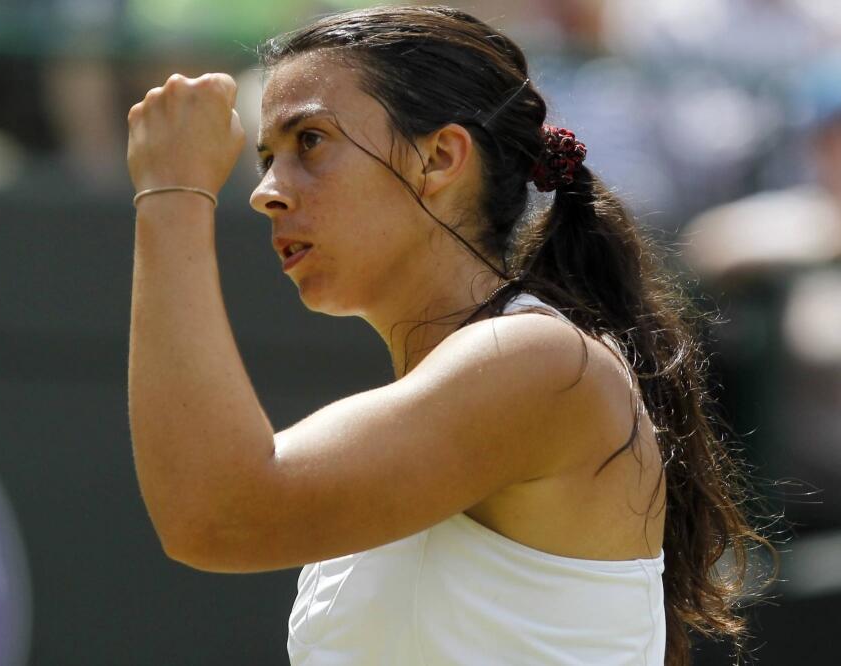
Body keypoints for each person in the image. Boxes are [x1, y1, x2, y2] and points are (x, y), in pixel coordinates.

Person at [124, 5, 774, 665]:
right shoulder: (477, 383)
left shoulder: (538, 361)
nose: (267, 191)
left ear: (439, 159)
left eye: (310, 141)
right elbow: (214, 500)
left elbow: (216, 512)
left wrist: (172, 191)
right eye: (267, 156)